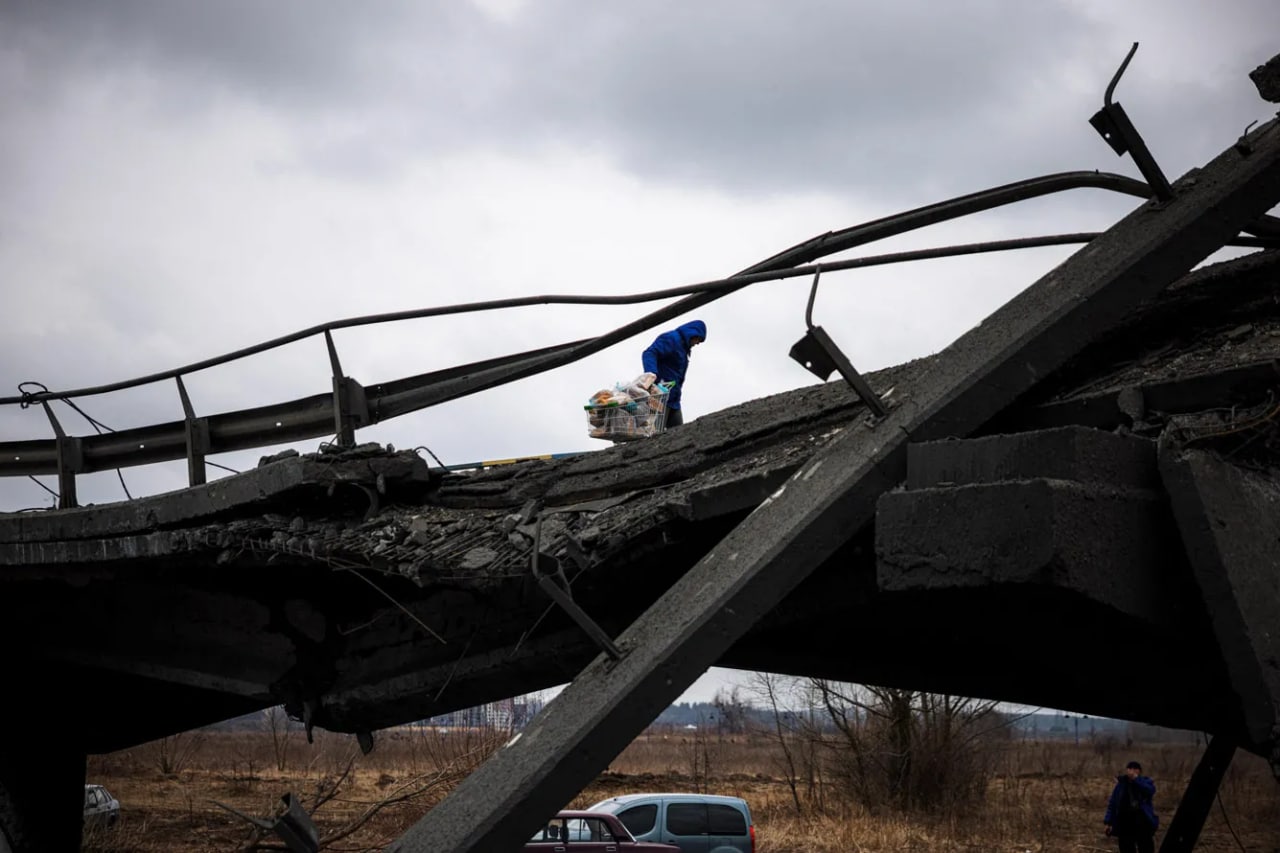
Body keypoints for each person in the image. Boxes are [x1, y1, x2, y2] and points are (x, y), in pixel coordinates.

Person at [641, 319, 705, 428]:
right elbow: (650, 353)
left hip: (674, 400)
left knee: (680, 435)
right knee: (654, 434)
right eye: (698, 339)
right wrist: (653, 375)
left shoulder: (684, 349)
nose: (698, 343)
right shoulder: (671, 339)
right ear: (693, 334)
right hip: (660, 397)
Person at [1104, 760, 1158, 853]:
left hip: (1142, 821)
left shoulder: (1146, 782)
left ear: (1139, 771)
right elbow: (1113, 803)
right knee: (1126, 848)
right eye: (1130, 768)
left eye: (1135, 769)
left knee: (1146, 847)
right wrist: (1108, 822)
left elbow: (1150, 791)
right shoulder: (1121, 785)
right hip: (1124, 822)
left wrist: (1136, 780)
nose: (1132, 771)